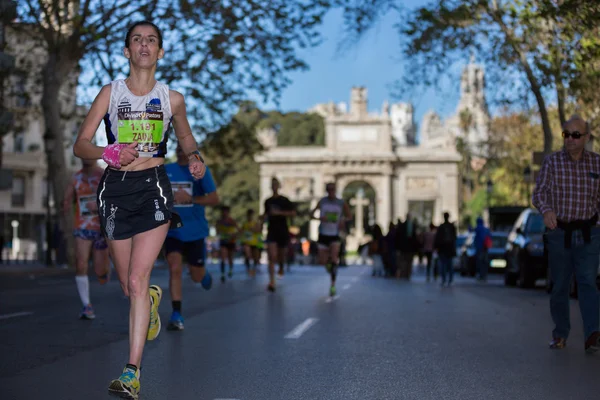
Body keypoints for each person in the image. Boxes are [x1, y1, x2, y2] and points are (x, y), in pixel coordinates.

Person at [73, 20, 207, 399]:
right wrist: (107, 151)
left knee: (136, 278)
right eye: (137, 40)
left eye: (151, 40)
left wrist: (195, 157)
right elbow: (80, 145)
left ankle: (132, 372)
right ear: (127, 51)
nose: (144, 45)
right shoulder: (110, 93)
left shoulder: (172, 99)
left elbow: (185, 137)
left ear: (160, 52)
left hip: (154, 188)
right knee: (127, 285)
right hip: (115, 189)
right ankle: (148, 300)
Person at [532, 114, 600, 353]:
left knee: (588, 281)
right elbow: (539, 192)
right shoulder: (552, 162)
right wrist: (547, 210)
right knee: (560, 285)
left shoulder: (596, 164)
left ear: (586, 137)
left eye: (575, 134)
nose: (570, 139)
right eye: (566, 134)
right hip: (559, 233)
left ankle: (593, 333)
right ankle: (560, 333)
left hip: (589, 233)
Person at [164, 144, 219, 331]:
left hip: (195, 231)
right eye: (178, 147)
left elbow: (214, 198)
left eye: (185, 148)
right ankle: (176, 313)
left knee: (196, 276)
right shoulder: (166, 169)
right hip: (172, 230)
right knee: (175, 268)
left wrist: (190, 199)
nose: (181, 151)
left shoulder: (200, 171)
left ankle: (203, 275)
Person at [62, 160, 110, 319]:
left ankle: (105, 269)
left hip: (101, 227)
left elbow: (114, 196)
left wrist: (100, 206)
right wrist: (66, 206)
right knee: (81, 263)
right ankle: (86, 306)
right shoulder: (75, 178)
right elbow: (67, 200)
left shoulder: (103, 174)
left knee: (100, 271)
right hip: (82, 227)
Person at [310, 182, 351, 296]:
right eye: (329, 189)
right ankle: (330, 266)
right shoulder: (322, 201)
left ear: (335, 190)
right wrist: (320, 218)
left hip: (335, 234)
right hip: (323, 233)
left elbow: (349, 216)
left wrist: (342, 220)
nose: (331, 191)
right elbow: (311, 214)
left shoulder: (341, 203)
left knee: (334, 258)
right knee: (322, 261)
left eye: (333, 189)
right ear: (326, 190)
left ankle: (333, 285)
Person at [261, 177, 296, 292]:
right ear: (271, 187)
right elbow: (265, 215)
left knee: (281, 256)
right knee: (272, 256)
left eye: (276, 184)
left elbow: (293, 213)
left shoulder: (285, 200)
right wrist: (261, 221)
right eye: (272, 184)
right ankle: (272, 281)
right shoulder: (267, 201)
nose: (274, 186)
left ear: (279, 186)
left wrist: (279, 213)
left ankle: (281, 266)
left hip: (282, 230)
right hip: (272, 231)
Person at [216, 205, 239, 282]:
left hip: (231, 241)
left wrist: (234, 235)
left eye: (226, 212)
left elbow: (239, 230)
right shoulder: (219, 221)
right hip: (223, 241)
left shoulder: (232, 221)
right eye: (223, 212)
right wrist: (220, 233)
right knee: (223, 257)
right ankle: (222, 274)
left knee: (230, 257)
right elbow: (217, 231)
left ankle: (230, 270)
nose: (224, 213)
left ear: (228, 212)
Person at [434, 212, 457, 287]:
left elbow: (437, 239)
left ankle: (445, 279)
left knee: (444, 265)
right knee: (449, 265)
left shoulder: (442, 227)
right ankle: (449, 279)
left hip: (444, 249)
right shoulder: (451, 226)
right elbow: (454, 238)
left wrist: (436, 247)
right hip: (448, 249)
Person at [241, 209, 263, 277]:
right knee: (247, 255)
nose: (250, 216)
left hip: (255, 242)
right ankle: (248, 269)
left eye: (251, 215)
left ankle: (253, 269)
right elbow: (241, 231)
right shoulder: (245, 223)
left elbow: (259, 231)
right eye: (249, 215)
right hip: (247, 242)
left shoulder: (256, 223)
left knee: (255, 258)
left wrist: (254, 229)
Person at [473, 216, 491, 281]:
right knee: (484, 262)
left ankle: (481, 275)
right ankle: (484, 275)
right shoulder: (486, 229)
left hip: (480, 248)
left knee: (480, 263)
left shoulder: (478, 228)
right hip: (485, 248)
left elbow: (471, 230)